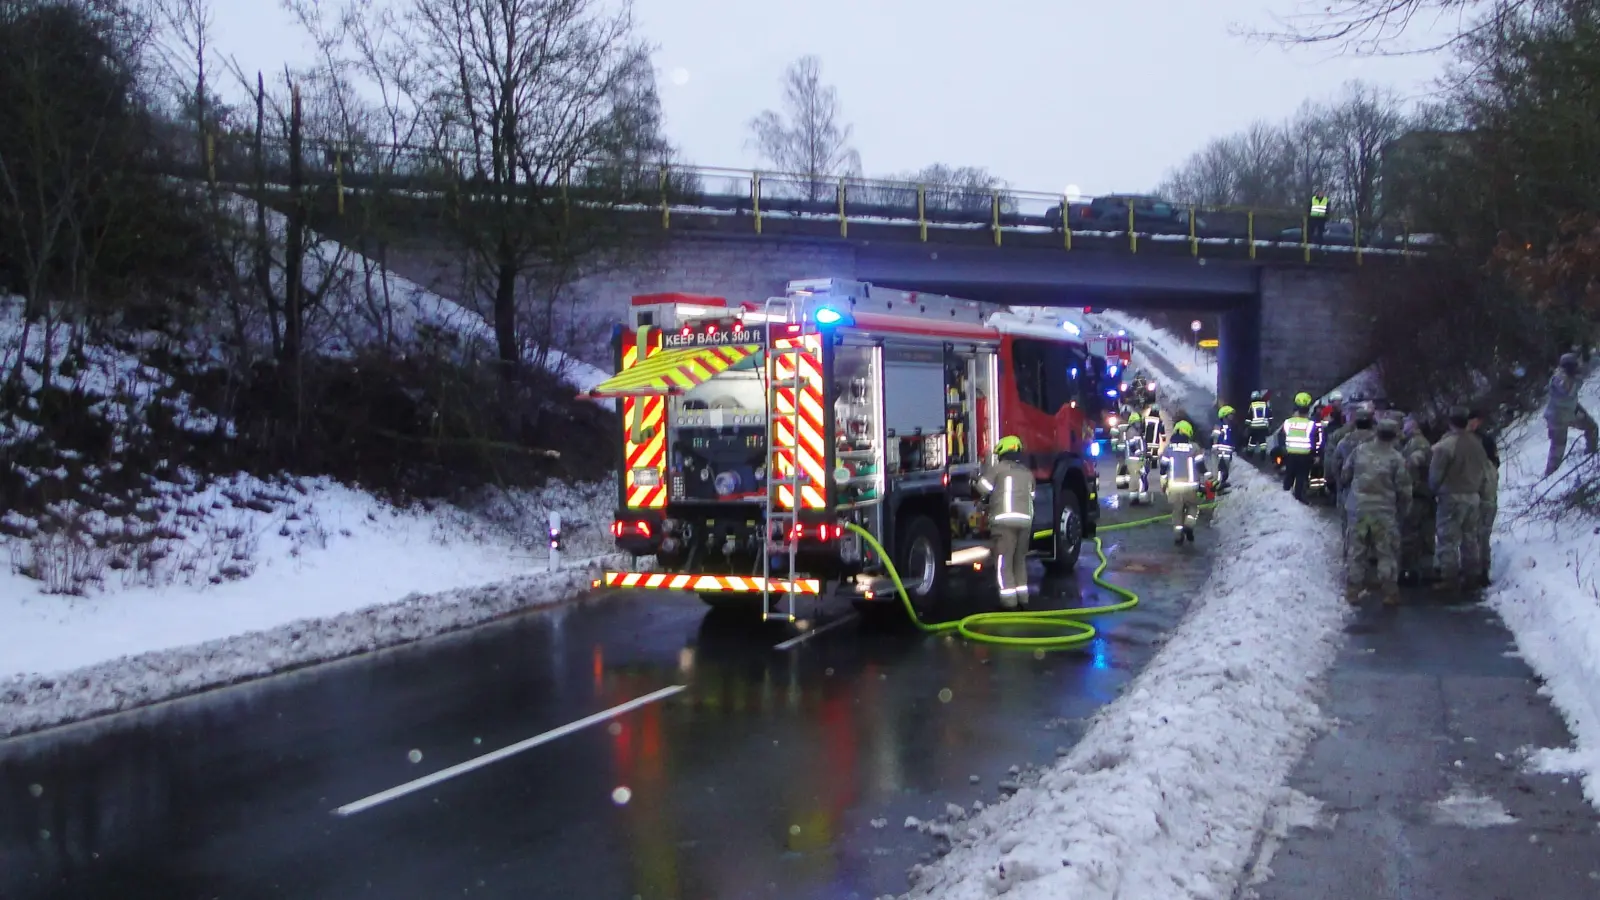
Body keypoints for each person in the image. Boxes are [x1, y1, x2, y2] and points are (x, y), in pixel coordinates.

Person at [1340, 416, 1410, 606]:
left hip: (1359, 510)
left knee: (1357, 551)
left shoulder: (1359, 451)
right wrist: (1403, 509)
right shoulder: (1396, 458)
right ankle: (1389, 592)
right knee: (1386, 552)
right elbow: (1404, 489)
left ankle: (1353, 590)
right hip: (1383, 512)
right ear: (1394, 435)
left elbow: (1345, 474)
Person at [1429, 406, 1492, 592]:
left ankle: (1449, 578)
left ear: (1450, 423)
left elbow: (1435, 475)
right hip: (1473, 497)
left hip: (1452, 496)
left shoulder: (1446, 445)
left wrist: (1434, 490)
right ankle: (1471, 576)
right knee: (1470, 537)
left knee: (1448, 539)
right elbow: (1485, 472)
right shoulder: (1478, 444)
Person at [977, 435, 1036, 609]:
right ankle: (1023, 599)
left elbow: (982, 488)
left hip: (1004, 523)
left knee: (1004, 563)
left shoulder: (998, 469)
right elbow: (1032, 496)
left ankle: (1009, 603)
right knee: (1019, 561)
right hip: (1025, 522)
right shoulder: (1027, 473)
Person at [1543, 351, 1597, 476]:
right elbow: (1569, 390)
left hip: (1572, 411)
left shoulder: (1569, 375)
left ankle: (1591, 455)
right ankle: (1549, 477)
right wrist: (1580, 375)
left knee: (1592, 428)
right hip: (1557, 418)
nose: (1577, 366)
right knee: (1557, 450)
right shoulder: (1559, 377)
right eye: (1575, 365)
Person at [1398, 414, 1435, 585]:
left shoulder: (1418, 442)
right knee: (1424, 534)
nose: (1403, 427)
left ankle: (1410, 571)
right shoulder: (1415, 441)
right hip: (1424, 494)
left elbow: (1417, 459)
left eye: (1406, 424)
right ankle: (1424, 570)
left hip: (1418, 495)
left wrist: (1406, 468)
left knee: (1410, 533)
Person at [1160, 420, 1208, 545]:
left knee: (1177, 511)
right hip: (1191, 487)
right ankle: (1189, 524)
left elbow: (1163, 467)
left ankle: (1178, 536)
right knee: (1193, 506)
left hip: (1174, 487)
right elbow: (1200, 466)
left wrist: (1163, 482)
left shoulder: (1168, 448)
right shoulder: (1194, 447)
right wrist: (1206, 480)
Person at [1469, 409, 1500, 587]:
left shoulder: (1484, 441)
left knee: (1481, 534)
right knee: (1475, 535)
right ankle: (1476, 570)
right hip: (1478, 494)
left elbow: (1495, 465)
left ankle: (1480, 571)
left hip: (1484, 495)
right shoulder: (1480, 441)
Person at [1272, 392, 1320, 502]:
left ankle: (1284, 496)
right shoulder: (1311, 424)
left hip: (1290, 455)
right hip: (1305, 456)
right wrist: (1315, 455)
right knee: (1301, 477)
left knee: (1289, 475)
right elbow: (1314, 441)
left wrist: (1283, 449)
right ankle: (1298, 498)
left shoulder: (1288, 422)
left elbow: (1281, 437)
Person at [1115, 412, 1151, 504]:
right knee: (1137, 477)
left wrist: (1145, 455)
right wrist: (1140, 454)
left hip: (1137, 459)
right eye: (1137, 422)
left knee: (1138, 477)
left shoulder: (1136, 431)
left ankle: (1135, 496)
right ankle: (1139, 498)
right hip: (1134, 459)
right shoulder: (1131, 431)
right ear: (1133, 423)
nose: (1139, 424)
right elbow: (1132, 445)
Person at [1212, 404, 1237, 488]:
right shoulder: (1219, 426)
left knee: (1226, 469)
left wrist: (1233, 448)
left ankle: (1222, 483)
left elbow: (1231, 439)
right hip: (1220, 451)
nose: (1232, 417)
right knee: (1221, 468)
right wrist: (1215, 449)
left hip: (1227, 452)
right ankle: (1217, 484)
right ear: (1225, 416)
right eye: (1230, 415)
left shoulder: (1230, 427)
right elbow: (1214, 437)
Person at [1246, 391, 1272, 456]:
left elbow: (1249, 417)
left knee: (1252, 441)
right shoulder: (1264, 404)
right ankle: (1263, 454)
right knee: (1262, 441)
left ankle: (1249, 454)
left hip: (1254, 427)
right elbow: (1269, 415)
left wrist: (1246, 425)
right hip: (1263, 426)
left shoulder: (1252, 405)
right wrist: (1270, 424)